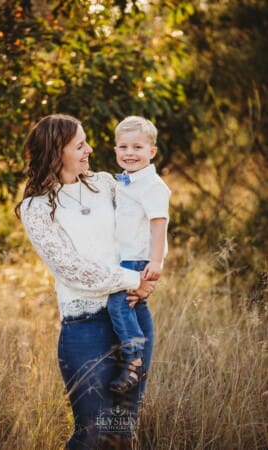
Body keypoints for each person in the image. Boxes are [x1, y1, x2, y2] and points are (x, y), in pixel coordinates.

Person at [15, 113, 156, 450]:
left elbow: (143, 223)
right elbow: (71, 269)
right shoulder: (36, 208)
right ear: (57, 151)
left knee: (121, 433)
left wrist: (151, 271)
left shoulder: (106, 184)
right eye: (80, 145)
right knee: (92, 434)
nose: (90, 150)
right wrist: (132, 278)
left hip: (134, 317)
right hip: (85, 327)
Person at [107, 116, 171, 395]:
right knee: (131, 305)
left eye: (137, 147)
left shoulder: (152, 185)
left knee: (118, 305)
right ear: (115, 151)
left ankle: (134, 361)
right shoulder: (126, 181)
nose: (129, 153)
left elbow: (159, 223)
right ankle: (135, 356)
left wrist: (156, 262)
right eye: (123, 147)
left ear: (152, 152)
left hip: (137, 258)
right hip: (124, 257)